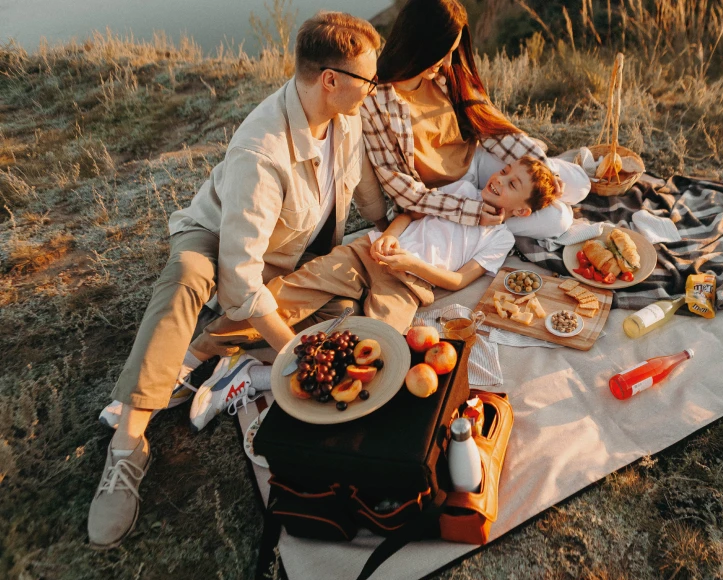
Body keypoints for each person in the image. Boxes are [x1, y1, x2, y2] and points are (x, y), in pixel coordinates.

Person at [87, 12, 386, 549]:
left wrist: (390, 226)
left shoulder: (346, 117)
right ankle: (128, 443)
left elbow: (360, 184)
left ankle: (218, 358)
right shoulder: (260, 150)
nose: (374, 87)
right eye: (369, 78)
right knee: (186, 278)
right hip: (217, 236)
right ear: (330, 80)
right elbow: (240, 277)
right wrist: (292, 350)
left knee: (348, 306)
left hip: (285, 254)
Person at [180, 154, 559, 430]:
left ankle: (256, 376)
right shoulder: (461, 190)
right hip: (370, 251)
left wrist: (411, 264)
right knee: (293, 291)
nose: (500, 180)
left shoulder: (500, 237)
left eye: (513, 184)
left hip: (407, 284)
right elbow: (410, 213)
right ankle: (194, 354)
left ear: (522, 212)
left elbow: (458, 281)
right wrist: (389, 238)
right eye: (504, 171)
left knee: (376, 355)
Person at [361, 0, 589, 239]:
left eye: (452, 52)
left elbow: (494, 131)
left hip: (479, 162)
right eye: (442, 52)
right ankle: (477, 228)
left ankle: (495, 217)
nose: (447, 62)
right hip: (445, 194)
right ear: (417, 44)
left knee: (578, 184)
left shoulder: (448, 74)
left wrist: (544, 169)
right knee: (557, 219)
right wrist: (471, 213)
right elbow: (403, 190)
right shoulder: (374, 101)